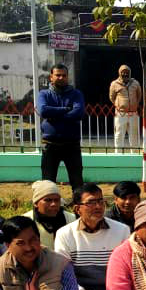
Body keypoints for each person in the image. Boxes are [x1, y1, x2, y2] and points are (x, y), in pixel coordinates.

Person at [55, 182, 130, 290]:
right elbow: (64, 277)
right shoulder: (64, 234)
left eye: (101, 201)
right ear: (77, 209)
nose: (98, 206)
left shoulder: (122, 231)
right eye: (91, 202)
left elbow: (127, 274)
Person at [37, 64, 85, 194]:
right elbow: (43, 110)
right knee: (47, 183)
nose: (61, 78)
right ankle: (48, 207)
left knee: (77, 182)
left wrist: (54, 115)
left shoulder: (76, 94)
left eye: (64, 75)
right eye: (57, 75)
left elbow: (79, 113)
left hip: (72, 145)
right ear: (51, 77)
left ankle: (78, 206)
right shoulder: (44, 94)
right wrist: (66, 110)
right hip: (50, 146)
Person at [22, 180, 76, 247]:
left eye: (56, 200)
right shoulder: (25, 222)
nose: (53, 204)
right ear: (36, 203)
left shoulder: (71, 219)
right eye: (48, 200)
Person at [109, 65, 142, 149]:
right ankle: (118, 156)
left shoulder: (135, 83)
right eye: (123, 72)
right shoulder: (114, 84)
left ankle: (134, 156)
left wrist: (135, 104)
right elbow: (111, 97)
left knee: (134, 135)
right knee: (119, 134)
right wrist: (119, 105)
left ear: (130, 73)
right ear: (119, 73)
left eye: (127, 72)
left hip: (133, 114)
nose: (125, 74)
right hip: (121, 114)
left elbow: (139, 95)